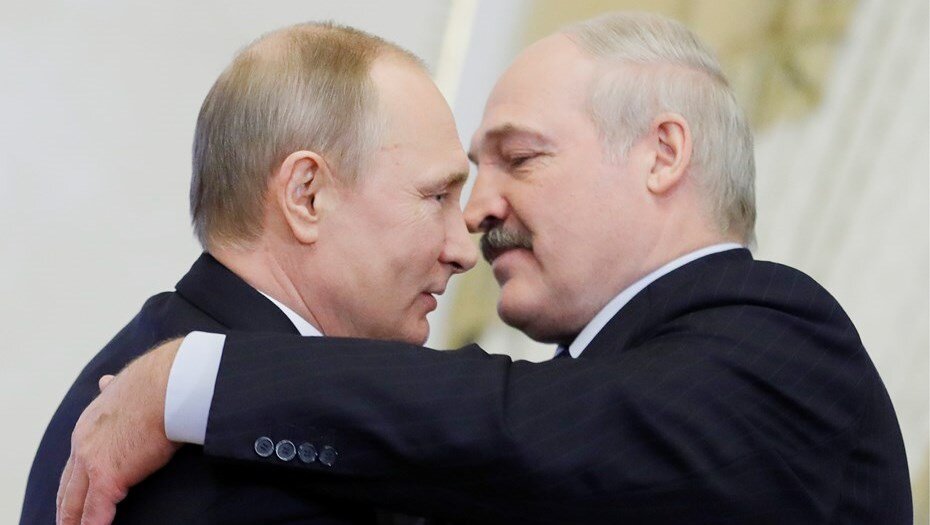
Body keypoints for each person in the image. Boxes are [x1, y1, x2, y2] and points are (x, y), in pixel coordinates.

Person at [58, 12, 912, 525]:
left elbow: (522, 424)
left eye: (520, 158)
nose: (475, 215)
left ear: (662, 153)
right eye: (448, 186)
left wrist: (194, 382)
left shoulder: (783, 343)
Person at [24, 22, 475, 524]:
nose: (464, 250)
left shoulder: (150, 365)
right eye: (437, 196)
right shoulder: (249, 477)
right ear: (307, 196)